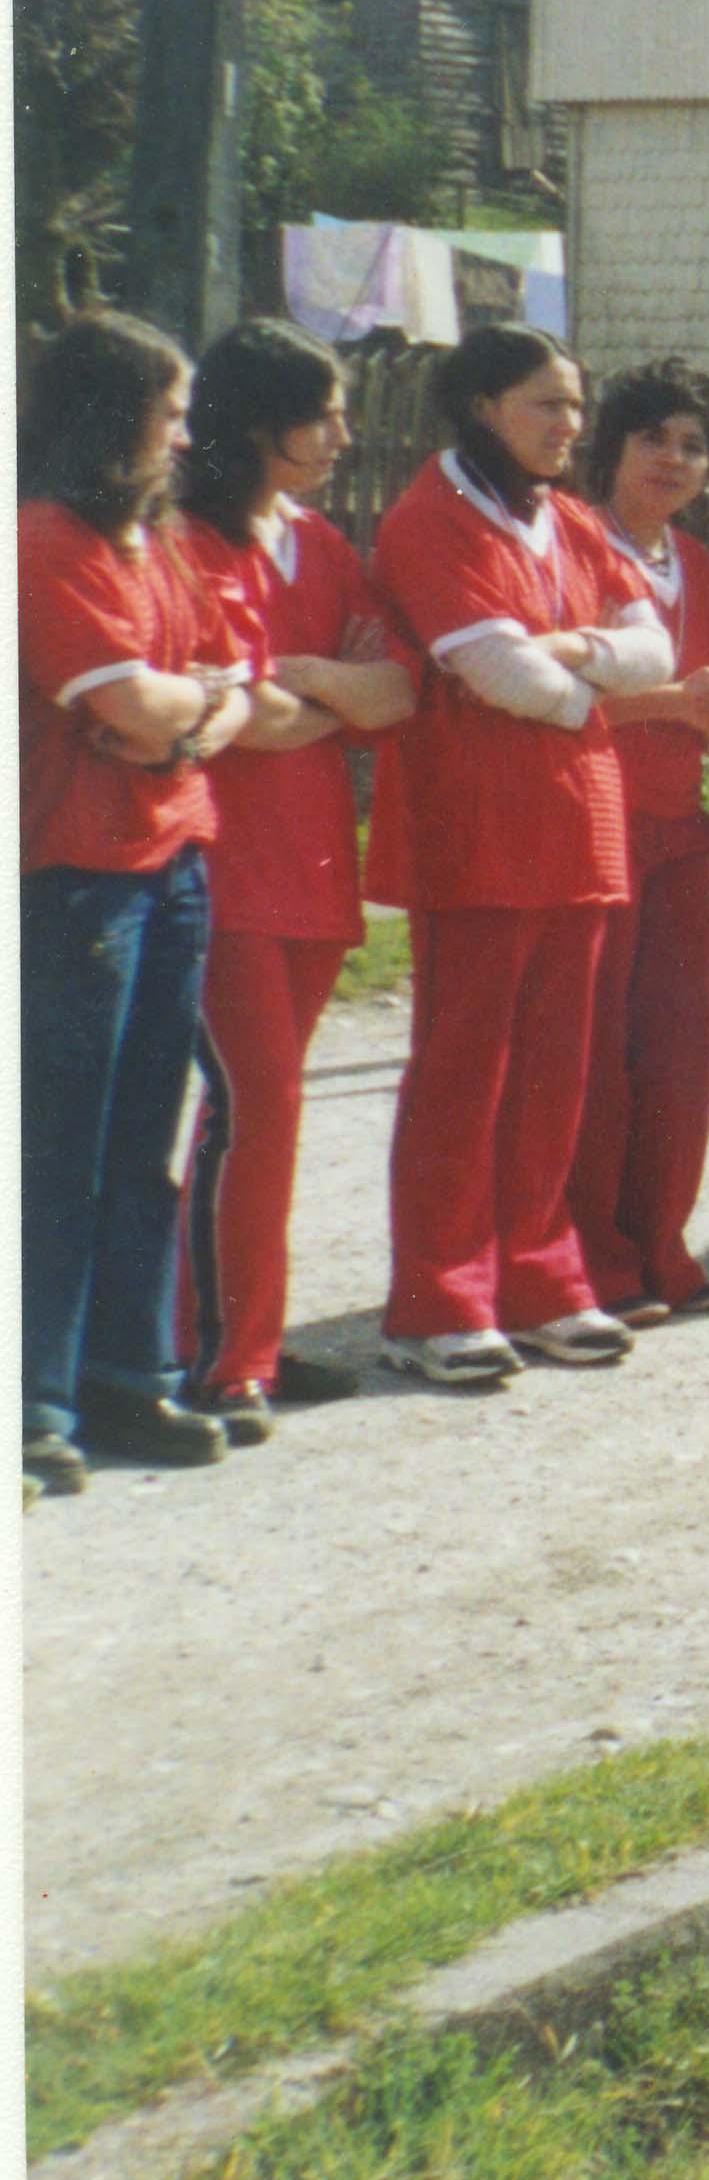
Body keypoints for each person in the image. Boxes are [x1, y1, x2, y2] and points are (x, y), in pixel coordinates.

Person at [371, 323, 681, 1379]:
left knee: (557, 1071)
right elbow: (507, 678)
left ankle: (540, 1280)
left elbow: (659, 650)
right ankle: (437, 1300)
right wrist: (592, 670)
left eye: (576, 406)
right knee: (467, 1067)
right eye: (547, 404)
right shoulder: (428, 519)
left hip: (577, 823)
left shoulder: (573, 521)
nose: (569, 426)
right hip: (477, 830)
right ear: (482, 407)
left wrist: (574, 656)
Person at [25, 315, 274, 1483]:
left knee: (144, 1143)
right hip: (74, 878)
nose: (184, 434)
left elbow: (234, 689)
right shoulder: (46, 538)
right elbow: (132, 704)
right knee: (59, 1147)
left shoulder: (156, 542)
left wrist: (181, 723)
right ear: (110, 416)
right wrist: (181, 713)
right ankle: (38, 1397)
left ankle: (132, 1377)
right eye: (168, 411)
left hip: (172, 864)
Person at [171, 322, 419, 1430]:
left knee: (270, 1114)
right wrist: (325, 697)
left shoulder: (322, 545)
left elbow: (398, 693)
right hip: (220, 865)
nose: (341, 435)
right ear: (257, 421)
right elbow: (247, 724)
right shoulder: (186, 542)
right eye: (321, 414)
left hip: (316, 868)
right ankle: (218, 1359)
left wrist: (302, 684)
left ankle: (243, 1340)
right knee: (252, 1107)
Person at [564, 359, 709, 1331]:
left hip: (680, 825)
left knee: (680, 1049)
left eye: (693, 446)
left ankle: (662, 1241)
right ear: (614, 448)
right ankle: (594, 1257)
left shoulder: (700, 564)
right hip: (594, 822)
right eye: (653, 440)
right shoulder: (573, 544)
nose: (673, 460)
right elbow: (552, 691)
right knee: (599, 1052)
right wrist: (676, 702)